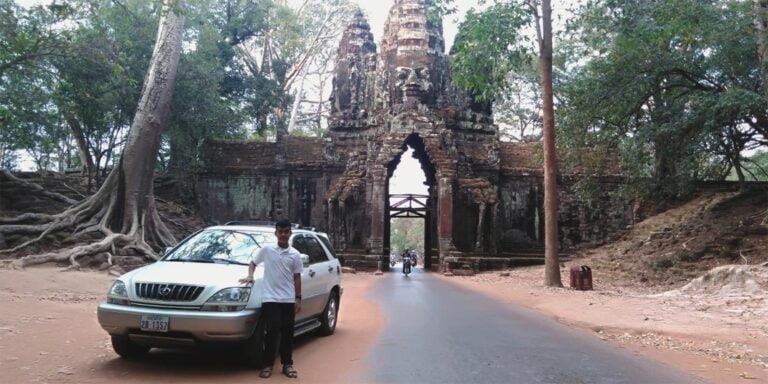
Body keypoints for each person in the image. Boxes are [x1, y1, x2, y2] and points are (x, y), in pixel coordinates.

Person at [239, 219, 302, 379]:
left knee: (288, 332)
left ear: (290, 233)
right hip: (270, 298)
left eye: (286, 231)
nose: (283, 234)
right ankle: (267, 365)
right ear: (276, 233)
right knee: (272, 332)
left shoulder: (295, 254)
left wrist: (298, 298)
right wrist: (250, 276)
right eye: (280, 231)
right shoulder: (267, 249)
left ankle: (288, 365)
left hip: (288, 299)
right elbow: (253, 263)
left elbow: (297, 277)